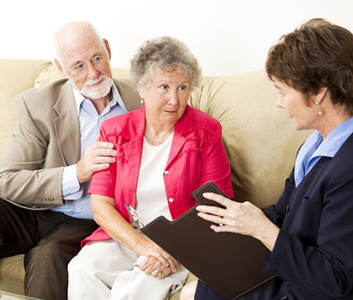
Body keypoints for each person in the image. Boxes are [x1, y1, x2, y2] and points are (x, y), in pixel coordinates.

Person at [180, 18, 353, 300]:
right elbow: (284, 214)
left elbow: (334, 278)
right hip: (302, 275)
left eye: (283, 92)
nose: (279, 103)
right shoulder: (315, 145)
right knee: (200, 289)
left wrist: (262, 230)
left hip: (342, 291)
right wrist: (229, 226)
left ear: (318, 91)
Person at [0, 22, 142, 300]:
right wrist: (77, 172)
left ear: (108, 49)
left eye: (97, 58)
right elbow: (7, 181)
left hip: (91, 221)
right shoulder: (37, 104)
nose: (93, 73)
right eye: (78, 66)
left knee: (48, 258)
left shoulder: (143, 101)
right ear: (61, 68)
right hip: (35, 210)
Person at [67, 36, 233, 300]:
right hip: (127, 235)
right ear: (141, 89)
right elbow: (101, 205)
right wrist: (143, 246)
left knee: (135, 288)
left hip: (180, 242)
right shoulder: (114, 131)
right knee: (81, 269)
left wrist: (168, 249)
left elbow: (217, 205)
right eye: (164, 87)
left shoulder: (206, 132)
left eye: (182, 88)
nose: (174, 100)